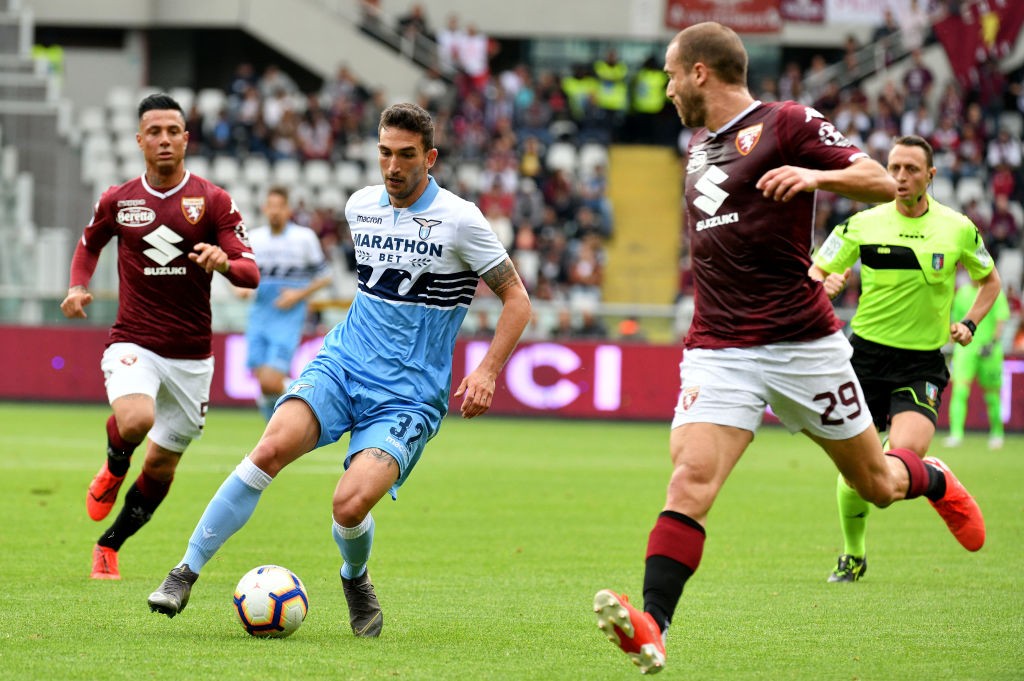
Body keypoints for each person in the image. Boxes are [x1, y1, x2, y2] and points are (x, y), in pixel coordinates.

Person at [591, 23, 985, 676]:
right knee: (690, 478)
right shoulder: (699, 147)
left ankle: (935, 478)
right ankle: (654, 624)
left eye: (670, 74)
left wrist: (811, 175)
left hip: (802, 344)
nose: (666, 88)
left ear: (700, 72)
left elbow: (878, 180)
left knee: (877, 484)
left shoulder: (786, 122)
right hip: (720, 346)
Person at [147, 102, 532, 638]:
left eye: (406, 155)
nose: (392, 166)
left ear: (430, 158)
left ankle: (354, 577)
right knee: (269, 449)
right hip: (342, 366)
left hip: (409, 396)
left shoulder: (461, 220)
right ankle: (184, 572)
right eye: (384, 153)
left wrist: (488, 371)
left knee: (348, 505)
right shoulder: (360, 206)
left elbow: (517, 300)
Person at [59, 93, 259, 580]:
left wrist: (224, 263)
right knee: (136, 418)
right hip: (134, 340)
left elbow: (250, 272)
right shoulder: (119, 199)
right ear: (139, 140)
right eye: (155, 132)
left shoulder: (213, 200)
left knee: (162, 468)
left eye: (173, 131)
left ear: (186, 139)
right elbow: (89, 244)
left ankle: (109, 546)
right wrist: (78, 286)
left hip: (192, 357)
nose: (164, 139)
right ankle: (114, 466)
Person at [810, 134, 1002, 583]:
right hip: (865, 360)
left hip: (920, 364)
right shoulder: (862, 224)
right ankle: (853, 554)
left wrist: (970, 323)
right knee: (861, 477)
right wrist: (823, 283)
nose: (900, 176)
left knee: (900, 460)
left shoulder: (957, 228)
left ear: (930, 176)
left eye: (911, 169)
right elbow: (816, 271)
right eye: (894, 167)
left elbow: (990, 282)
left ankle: (934, 476)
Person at [242, 186, 332, 422]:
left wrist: (298, 295)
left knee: (271, 381)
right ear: (264, 209)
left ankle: (308, 396)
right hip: (259, 315)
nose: (275, 212)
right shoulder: (255, 238)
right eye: (271, 206)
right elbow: (239, 274)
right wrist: (239, 287)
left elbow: (325, 276)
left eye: (279, 207)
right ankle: (272, 431)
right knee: (264, 384)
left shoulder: (304, 238)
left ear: (288, 210)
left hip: (288, 317)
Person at [945, 280, 1011, 450]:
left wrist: (992, 342)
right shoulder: (962, 293)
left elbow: (1000, 320)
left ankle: (997, 433)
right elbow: (955, 322)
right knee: (960, 391)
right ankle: (956, 434)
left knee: (991, 395)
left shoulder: (995, 290)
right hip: (965, 350)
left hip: (989, 350)